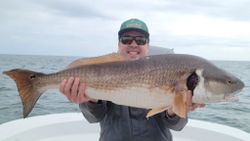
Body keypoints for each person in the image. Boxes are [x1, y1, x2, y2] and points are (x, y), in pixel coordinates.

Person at [59, 18, 205, 141]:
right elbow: (93, 118)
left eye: (141, 40)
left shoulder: (166, 72)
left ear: (148, 45)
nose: (133, 44)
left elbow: (177, 126)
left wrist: (175, 110)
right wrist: (89, 100)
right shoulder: (102, 71)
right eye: (127, 39)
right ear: (119, 44)